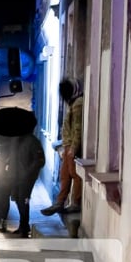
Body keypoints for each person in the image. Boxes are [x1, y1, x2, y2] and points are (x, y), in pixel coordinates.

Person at [0, 106, 46, 237]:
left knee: (23, 200)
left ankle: (24, 227)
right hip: (13, 176)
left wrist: (28, 173)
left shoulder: (32, 141)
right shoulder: (13, 140)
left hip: (25, 178)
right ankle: (23, 226)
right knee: (17, 199)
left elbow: (39, 161)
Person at [41, 77, 83, 215]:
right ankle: (59, 203)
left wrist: (73, 148)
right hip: (67, 146)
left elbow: (77, 128)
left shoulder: (78, 104)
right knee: (64, 175)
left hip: (71, 146)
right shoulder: (73, 103)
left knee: (74, 174)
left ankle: (74, 203)